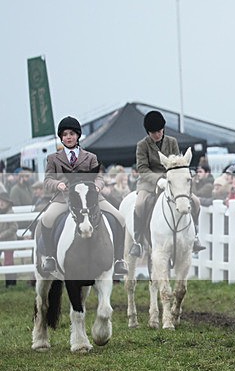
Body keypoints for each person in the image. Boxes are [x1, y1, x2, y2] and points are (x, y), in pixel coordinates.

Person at [38, 116, 128, 276]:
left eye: (71, 133)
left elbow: (99, 177)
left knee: (120, 218)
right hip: (64, 198)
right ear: (61, 137)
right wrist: (57, 184)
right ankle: (51, 257)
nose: (68, 137)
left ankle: (119, 260)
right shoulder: (53, 159)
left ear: (78, 135)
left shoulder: (90, 157)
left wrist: (98, 187)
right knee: (47, 219)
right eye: (65, 134)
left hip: (91, 198)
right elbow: (47, 180)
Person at [129, 110, 204, 257]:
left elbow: (177, 163)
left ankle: (194, 236)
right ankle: (138, 241)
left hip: (172, 181)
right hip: (148, 182)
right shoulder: (142, 145)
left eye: (159, 131)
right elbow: (142, 168)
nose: (157, 135)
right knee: (139, 204)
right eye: (153, 133)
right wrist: (158, 180)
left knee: (195, 201)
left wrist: (171, 178)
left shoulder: (172, 142)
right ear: (148, 132)